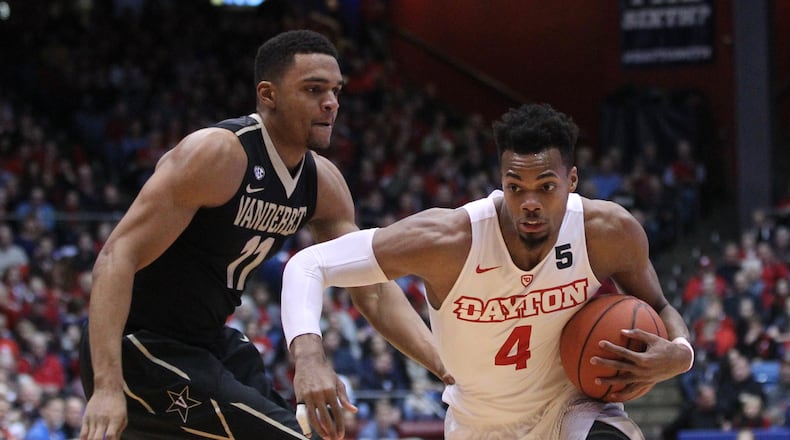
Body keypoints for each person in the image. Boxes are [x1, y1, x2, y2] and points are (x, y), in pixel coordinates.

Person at [78, 29, 447, 440]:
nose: (330, 103)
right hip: (140, 346)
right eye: (313, 89)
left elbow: (373, 291)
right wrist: (107, 387)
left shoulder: (323, 183)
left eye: (335, 91)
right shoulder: (218, 154)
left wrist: (447, 369)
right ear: (268, 95)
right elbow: (116, 256)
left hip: (209, 343)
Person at [281, 103, 694, 439]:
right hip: (478, 424)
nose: (529, 202)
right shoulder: (449, 239)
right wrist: (310, 356)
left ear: (572, 180)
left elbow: (659, 306)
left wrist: (680, 351)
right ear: (500, 180)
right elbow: (306, 264)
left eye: (545, 187)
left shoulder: (607, 231)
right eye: (516, 187)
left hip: (574, 409)